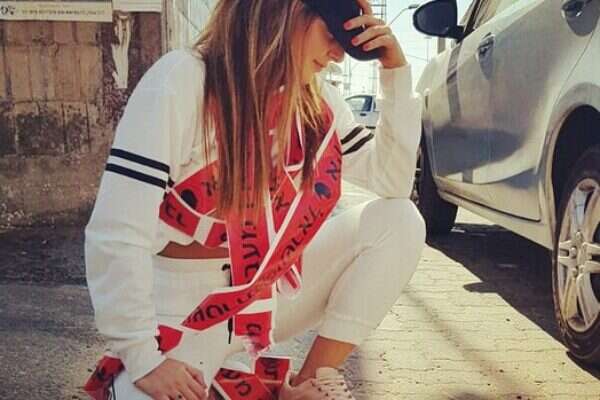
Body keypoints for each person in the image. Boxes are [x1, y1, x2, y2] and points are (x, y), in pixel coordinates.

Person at [85, 0, 426, 399]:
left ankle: (306, 384)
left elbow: (392, 181)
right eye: (331, 35)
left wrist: (395, 72)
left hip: (263, 303)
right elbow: (118, 231)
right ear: (282, 12)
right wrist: (144, 359)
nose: (337, 55)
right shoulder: (182, 80)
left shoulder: (317, 102)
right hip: (181, 313)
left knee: (399, 221)